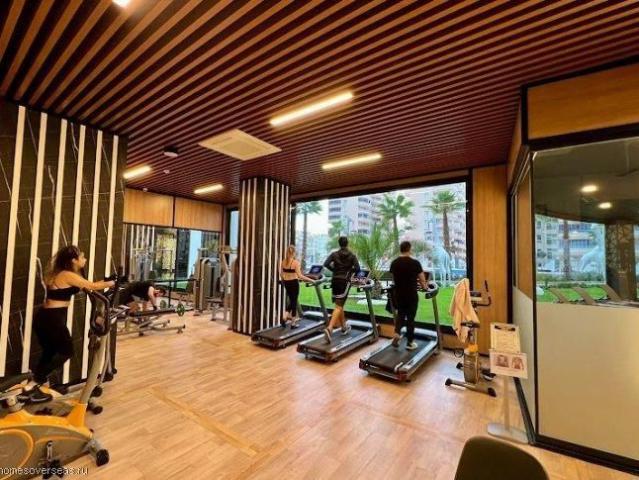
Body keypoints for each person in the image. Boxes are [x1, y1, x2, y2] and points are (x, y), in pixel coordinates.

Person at [27, 245, 115, 402]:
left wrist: (107, 281)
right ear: (74, 260)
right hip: (52, 318)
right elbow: (92, 286)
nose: (84, 259)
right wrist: (113, 283)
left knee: (50, 351)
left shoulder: (63, 273)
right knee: (66, 351)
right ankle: (34, 382)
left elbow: (88, 283)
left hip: (47, 317)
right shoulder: (67, 275)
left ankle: (35, 385)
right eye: (82, 257)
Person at [389, 241, 428, 350]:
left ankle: (397, 333)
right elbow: (422, 279)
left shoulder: (394, 263)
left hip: (399, 294)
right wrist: (425, 287)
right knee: (410, 318)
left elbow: (393, 279)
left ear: (401, 249)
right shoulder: (415, 263)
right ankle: (410, 343)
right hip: (411, 294)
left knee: (401, 314)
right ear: (409, 249)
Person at [322, 236, 360, 343]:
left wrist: (334, 270)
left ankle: (343, 326)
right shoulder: (352, 255)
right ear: (347, 243)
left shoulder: (334, 254)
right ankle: (329, 328)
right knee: (339, 306)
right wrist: (350, 271)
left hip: (335, 280)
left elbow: (326, 264)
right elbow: (358, 269)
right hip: (344, 281)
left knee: (339, 304)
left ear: (339, 244)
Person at [280, 245, 315, 328]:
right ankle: (293, 323)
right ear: (294, 253)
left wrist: (285, 279)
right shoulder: (295, 263)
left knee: (292, 301)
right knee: (294, 302)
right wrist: (312, 280)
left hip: (287, 283)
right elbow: (300, 276)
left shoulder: (283, 262)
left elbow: (281, 274)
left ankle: (284, 317)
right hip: (294, 284)